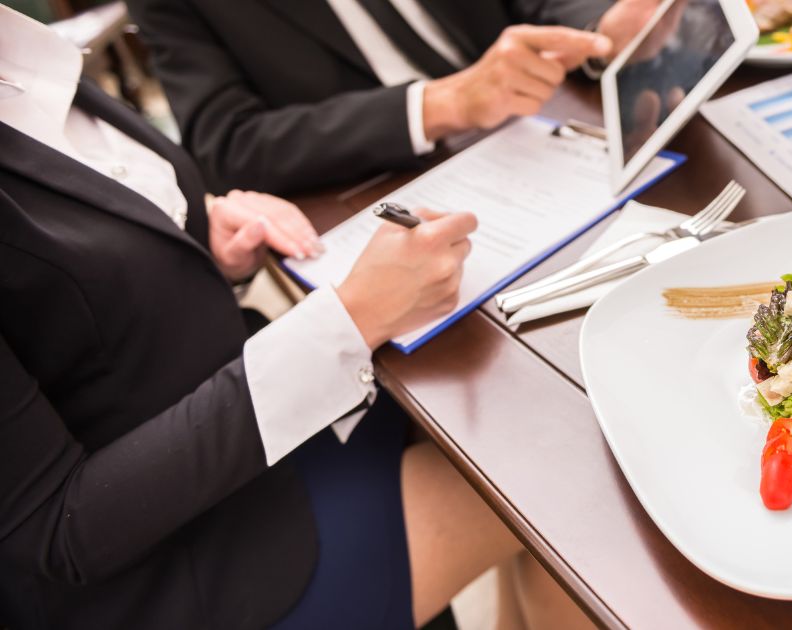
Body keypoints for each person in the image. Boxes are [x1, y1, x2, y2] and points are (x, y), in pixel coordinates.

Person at [0, 7, 591, 629]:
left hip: (231, 439)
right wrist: (347, 321)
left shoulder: (26, 59)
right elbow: (54, 528)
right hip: (176, 569)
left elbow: (60, 297)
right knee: (556, 486)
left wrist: (201, 233)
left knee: (508, 421)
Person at [124, 0, 661, 195]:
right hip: (386, 189)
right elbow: (226, 147)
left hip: (545, 135)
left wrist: (605, 30)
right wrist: (442, 104)